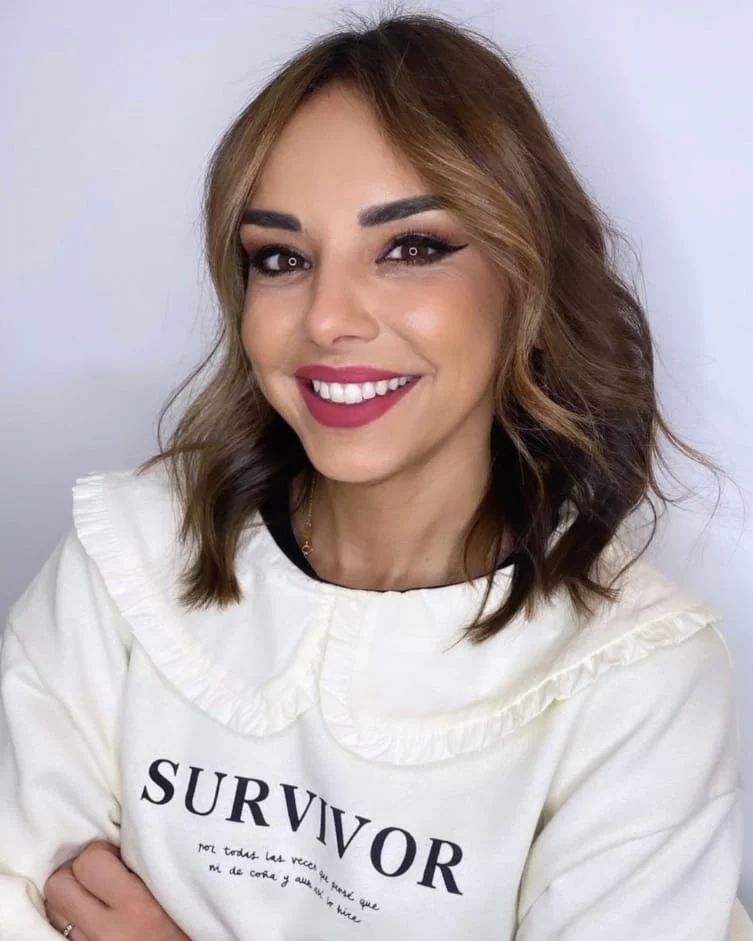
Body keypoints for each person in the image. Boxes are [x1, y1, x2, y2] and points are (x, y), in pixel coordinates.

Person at [2, 9, 751, 941]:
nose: (327, 318)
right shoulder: (126, 556)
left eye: (411, 248)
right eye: (281, 258)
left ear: (528, 278)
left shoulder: (638, 674)